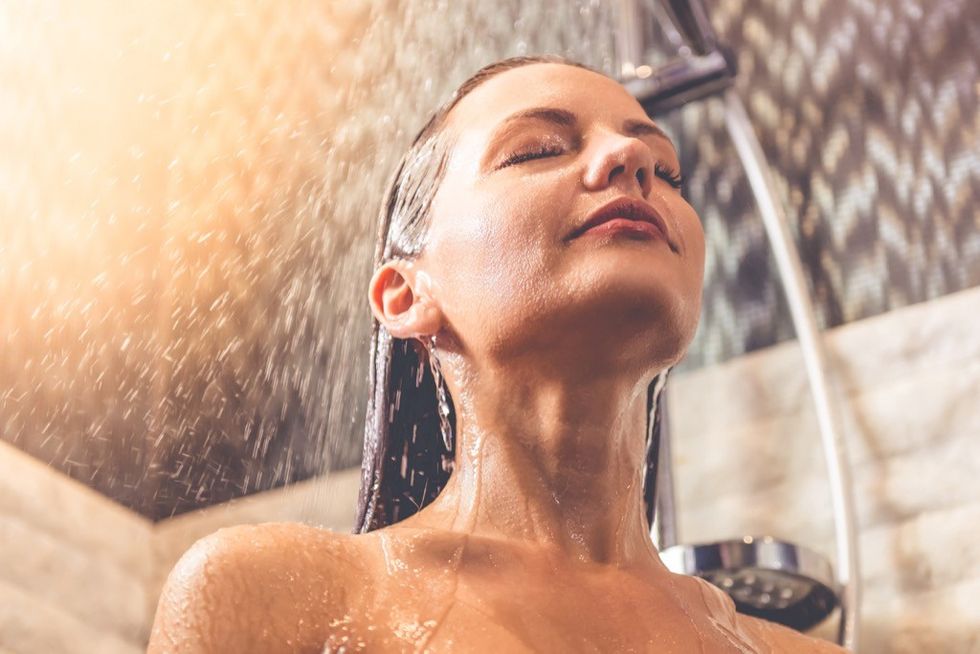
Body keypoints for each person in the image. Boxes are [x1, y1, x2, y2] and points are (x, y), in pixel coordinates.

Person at [148, 55, 847, 653]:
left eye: (666, 170)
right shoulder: (279, 599)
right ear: (405, 295)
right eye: (538, 150)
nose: (632, 162)